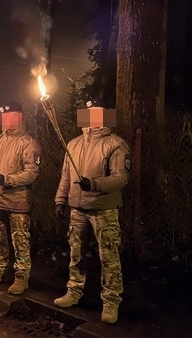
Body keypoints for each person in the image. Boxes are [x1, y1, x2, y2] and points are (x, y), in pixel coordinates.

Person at [53, 98, 130, 325]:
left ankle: (111, 301)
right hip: (78, 210)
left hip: (103, 210)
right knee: (77, 255)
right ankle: (74, 291)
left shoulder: (115, 144)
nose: (91, 118)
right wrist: (60, 200)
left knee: (109, 257)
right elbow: (66, 176)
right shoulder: (74, 144)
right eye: (89, 113)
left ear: (105, 116)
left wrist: (95, 184)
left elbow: (120, 179)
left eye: (96, 113)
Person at [0, 101, 41, 295]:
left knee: (20, 241)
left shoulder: (28, 143)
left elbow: (32, 172)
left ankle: (22, 277)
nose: (6, 121)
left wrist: (8, 180)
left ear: (19, 117)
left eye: (10, 116)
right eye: (4, 117)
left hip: (17, 201)